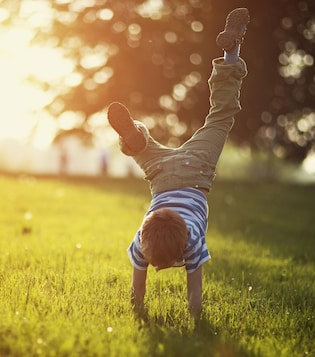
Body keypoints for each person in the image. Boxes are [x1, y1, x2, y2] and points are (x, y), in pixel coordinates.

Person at [107, 8, 250, 318]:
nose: (155, 267)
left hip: (195, 169)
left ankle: (134, 137)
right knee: (151, 147)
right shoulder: (143, 239)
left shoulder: (185, 241)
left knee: (220, 118)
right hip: (161, 175)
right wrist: (191, 317)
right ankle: (135, 139)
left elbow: (140, 292)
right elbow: (192, 295)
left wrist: (139, 313)